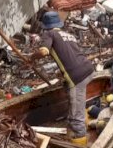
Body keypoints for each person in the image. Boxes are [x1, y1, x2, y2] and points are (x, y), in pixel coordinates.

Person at [30, 11, 95, 146]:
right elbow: (72, 55)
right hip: (89, 69)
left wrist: (32, 57)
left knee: (77, 117)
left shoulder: (49, 34)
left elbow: (43, 51)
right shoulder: (68, 35)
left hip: (77, 77)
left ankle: (80, 139)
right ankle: (80, 114)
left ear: (45, 26)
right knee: (69, 90)